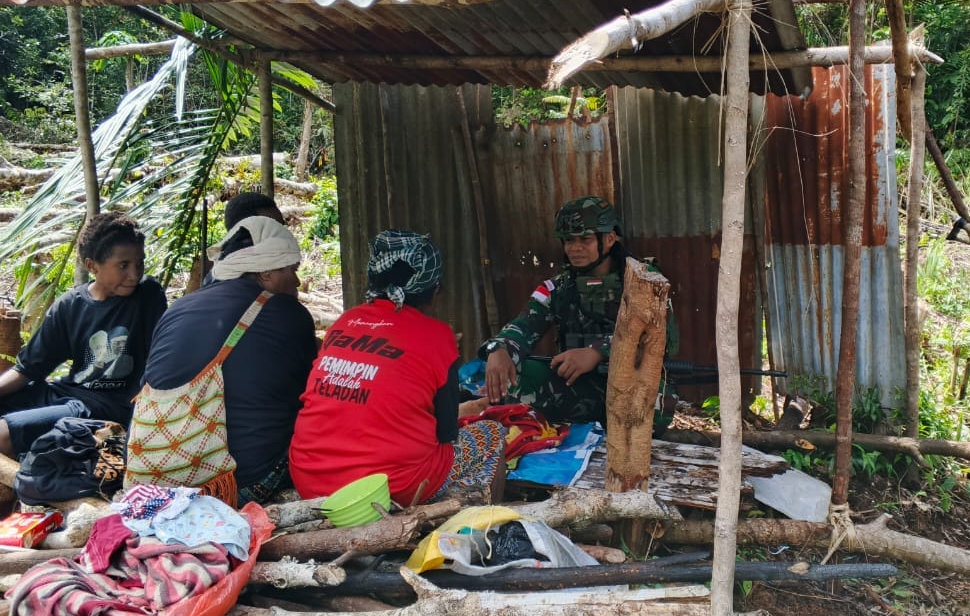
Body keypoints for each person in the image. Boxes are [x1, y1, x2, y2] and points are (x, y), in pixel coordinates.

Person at [289, 230, 506, 505]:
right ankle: (466, 510)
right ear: (434, 288)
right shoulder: (438, 336)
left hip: (310, 479)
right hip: (391, 487)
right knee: (492, 433)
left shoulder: (346, 321)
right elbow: (447, 432)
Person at [134, 217, 317, 505]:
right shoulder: (288, 313)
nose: (295, 281)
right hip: (235, 485)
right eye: (291, 270)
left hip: (154, 480)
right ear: (266, 272)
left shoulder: (178, 308)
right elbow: (310, 397)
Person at [479, 196, 676, 429]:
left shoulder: (644, 279)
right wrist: (499, 348)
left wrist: (597, 352)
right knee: (514, 375)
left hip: (631, 383)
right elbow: (524, 325)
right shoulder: (558, 287)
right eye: (569, 240)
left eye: (585, 239)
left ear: (610, 238)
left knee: (655, 406)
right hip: (577, 385)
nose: (575, 248)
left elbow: (660, 338)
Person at [0, 212, 166, 460]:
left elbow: (161, 359)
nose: (134, 274)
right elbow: (28, 369)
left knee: (3, 434)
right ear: (92, 266)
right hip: (65, 394)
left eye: (139, 263)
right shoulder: (70, 306)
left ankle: (21, 487)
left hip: (104, 406)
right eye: (123, 265)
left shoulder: (148, 296)